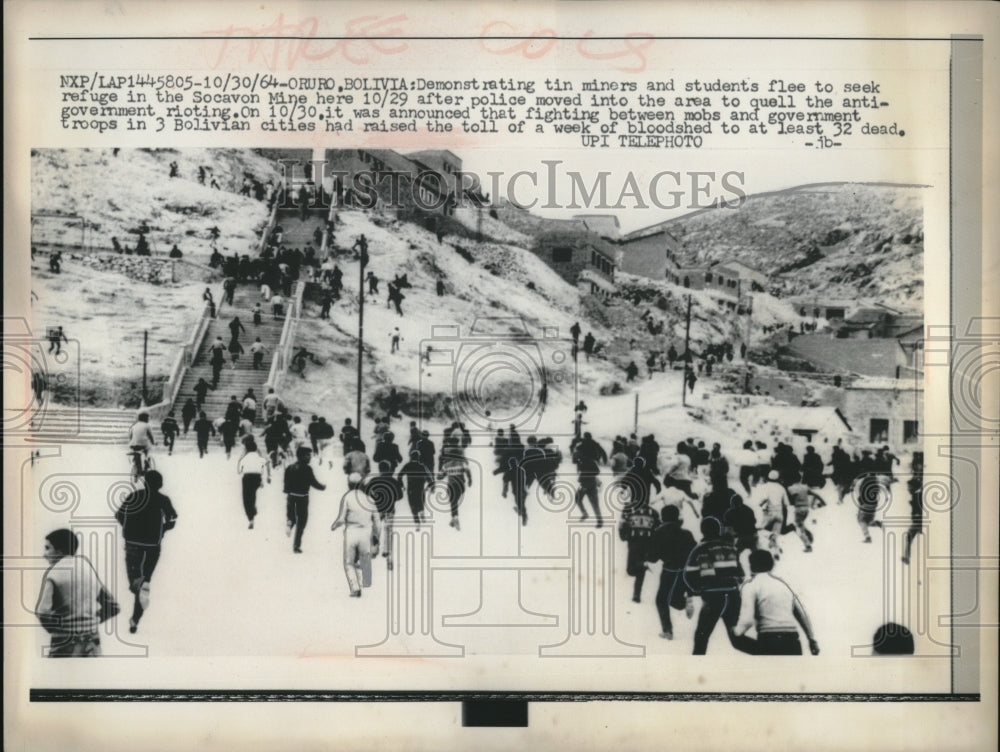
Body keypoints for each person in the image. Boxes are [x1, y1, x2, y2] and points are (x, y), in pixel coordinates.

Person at [35, 529, 118, 657]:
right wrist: (91, 622)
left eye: (48, 548)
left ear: (60, 550)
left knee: (59, 677)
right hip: (92, 643)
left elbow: (43, 612)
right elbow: (113, 606)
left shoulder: (53, 573)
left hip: (65, 644)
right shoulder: (88, 569)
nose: (44, 554)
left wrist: (55, 629)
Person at [114, 470, 177, 633]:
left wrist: (128, 529)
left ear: (145, 482)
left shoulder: (134, 496)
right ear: (161, 484)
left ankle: (138, 588)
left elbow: (119, 515)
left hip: (132, 543)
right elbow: (173, 519)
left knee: (135, 581)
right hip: (153, 546)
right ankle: (135, 618)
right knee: (145, 581)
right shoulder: (163, 499)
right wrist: (162, 530)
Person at [683, 517, 754, 655]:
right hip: (733, 597)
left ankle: (696, 669)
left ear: (702, 531)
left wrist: (697, 590)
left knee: (701, 638)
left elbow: (689, 575)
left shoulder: (701, 549)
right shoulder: (731, 548)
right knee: (736, 639)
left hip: (713, 598)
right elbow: (741, 574)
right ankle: (766, 653)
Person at [734, 550, 820, 655]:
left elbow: (747, 620)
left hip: (769, 641)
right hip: (792, 640)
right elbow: (802, 614)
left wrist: (736, 632)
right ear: (771, 565)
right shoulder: (783, 585)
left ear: (751, 566)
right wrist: (811, 639)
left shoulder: (751, 585)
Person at [648, 505, 697, 640]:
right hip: (685, 571)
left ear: (663, 517)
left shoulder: (658, 533)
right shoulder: (687, 533)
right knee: (673, 599)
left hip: (669, 570)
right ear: (677, 517)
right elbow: (695, 552)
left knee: (661, 600)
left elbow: (652, 557)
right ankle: (685, 601)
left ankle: (668, 631)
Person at [331, 473, 383, 597]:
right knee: (365, 557)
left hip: (351, 532)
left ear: (349, 484)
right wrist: (377, 536)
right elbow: (377, 521)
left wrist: (334, 525)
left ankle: (355, 588)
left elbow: (341, 519)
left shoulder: (347, 497)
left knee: (349, 562)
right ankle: (366, 580)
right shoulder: (369, 499)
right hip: (366, 532)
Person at [283, 446, 326, 553]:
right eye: (308, 455)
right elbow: (313, 482)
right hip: (303, 497)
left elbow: (286, 484)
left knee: (291, 515)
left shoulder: (289, 467)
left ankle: (289, 523)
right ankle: (296, 546)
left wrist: (289, 492)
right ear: (301, 456)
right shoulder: (307, 469)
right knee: (302, 522)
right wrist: (323, 487)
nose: (309, 457)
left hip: (291, 496)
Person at [618, 499, 660, 603]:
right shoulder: (653, 512)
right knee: (641, 571)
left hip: (633, 542)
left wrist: (623, 536)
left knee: (630, 570)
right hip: (647, 543)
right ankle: (636, 594)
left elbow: (622, 525)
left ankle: (636, 594)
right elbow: (658, 527)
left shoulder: (628, 510)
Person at [753, 470, 790, 560]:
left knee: (760, 531)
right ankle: (776, 551)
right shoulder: (781, 488)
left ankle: (763, 547)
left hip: (769, 512)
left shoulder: (766, 486)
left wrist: (760, 504)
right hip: (780, 513)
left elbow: (764, 499)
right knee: (775, 534)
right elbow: (786, 503)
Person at [573, 432, 607, 526]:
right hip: (592, 482)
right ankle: (599, 520)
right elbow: (597, 471)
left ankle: (584, 513)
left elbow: (574, 459)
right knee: (595, 503)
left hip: (585, 484)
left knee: (577, 498)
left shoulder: (582, 460)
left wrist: (585, 478)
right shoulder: (590, 459)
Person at [439, 437, 472, 530]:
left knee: (452, 501)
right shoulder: (461, 462)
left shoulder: (446, 464)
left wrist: (440, 475)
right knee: (454, 501)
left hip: (451, 484)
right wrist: (470, 479)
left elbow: (440, 476)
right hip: (461, 485)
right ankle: (453, 518)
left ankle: (455, 517)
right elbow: (468, 470)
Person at [237, 437, 270, 529]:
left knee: (246, 498)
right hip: (257, 478)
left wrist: (240, 459)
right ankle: (253, 509)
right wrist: (267, 477)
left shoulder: (244, 458)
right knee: (253, 494)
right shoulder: (259, 456)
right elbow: (266, 464)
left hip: (247, 478)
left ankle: (251, 517)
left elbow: (239, 471)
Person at [786, 475, 824, 552]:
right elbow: (815, 494)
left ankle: (808, 545)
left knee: (799, 527)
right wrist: (823, 502)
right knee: (800, 524)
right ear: (800, 479)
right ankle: (806, 534)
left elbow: (790, 500)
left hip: (799, 509)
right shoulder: (805, 487)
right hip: (806, 509)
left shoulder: (791, 488)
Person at [397, 450, 434, 524]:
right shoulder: (422, 466)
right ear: (418, 457)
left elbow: (399, 475)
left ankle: (417, 521)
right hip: (420, 488)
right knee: (420, 501)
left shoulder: (408, 465)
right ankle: (421, 511)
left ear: (411, 457)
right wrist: (430, 486)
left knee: (412, 504)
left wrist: (402, 485)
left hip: (411, 488)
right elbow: (429, 477)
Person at [902, 452, 924, 565]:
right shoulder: (917, 493)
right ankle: (906, 556)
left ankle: (906, 556)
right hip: (919, 519)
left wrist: (917, 515)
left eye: (909, 488)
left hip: (919, 519)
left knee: (909, 535)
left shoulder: (917, 495)